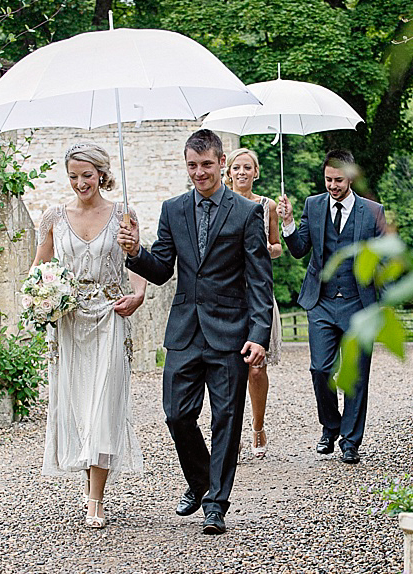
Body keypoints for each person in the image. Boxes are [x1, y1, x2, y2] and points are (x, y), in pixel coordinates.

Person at [117, 129, 273, 535]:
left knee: (226, 417)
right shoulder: (173, 209)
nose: (199, 172)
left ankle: (216, 504)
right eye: (192, 165)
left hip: (231, 332)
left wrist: (259, 333)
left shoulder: (245, 212)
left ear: (221, 163)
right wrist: (136, 253)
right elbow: (162, 268)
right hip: (185, 331)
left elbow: (259, 280)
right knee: (176, 415)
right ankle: (200, 480)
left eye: (206, 164)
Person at [31, 142, 147, 529]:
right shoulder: (53, 217)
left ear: (101, 174)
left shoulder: (122, 214)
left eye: (87, 175)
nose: (81, 183)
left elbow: (137, 261)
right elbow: (39, 270)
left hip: (110, 316)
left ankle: (95, 499)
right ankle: (90, 484)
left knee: (102, 406)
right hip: (69, 322)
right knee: (79, 408)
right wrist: (42, 299)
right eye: (74, 177)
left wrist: (139, 293)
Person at [278, 150, 387, 464]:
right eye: (328, 179)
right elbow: (299, 250)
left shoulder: (372, 211)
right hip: (321, 302)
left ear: (350, 177)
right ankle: (331, 426)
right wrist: (286, 222)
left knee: (356, 375)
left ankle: (350, 441)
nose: (332, 185)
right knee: (320, 369)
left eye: (338, 180)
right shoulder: (313, 206)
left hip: (360, 304)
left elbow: (385, 260)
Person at [224, 148, 283, 459]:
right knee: (230, 369)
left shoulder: (266, 206)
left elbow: (277, 247)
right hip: (228, 294)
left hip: (257, 293)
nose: (242, 172)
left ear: (256, 172)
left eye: (248, 167)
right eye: (237, 167)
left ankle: (257, 425)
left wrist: (264, 250)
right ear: (229, 172)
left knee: (256, 370)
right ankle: (230, 433)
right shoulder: (219, 203)